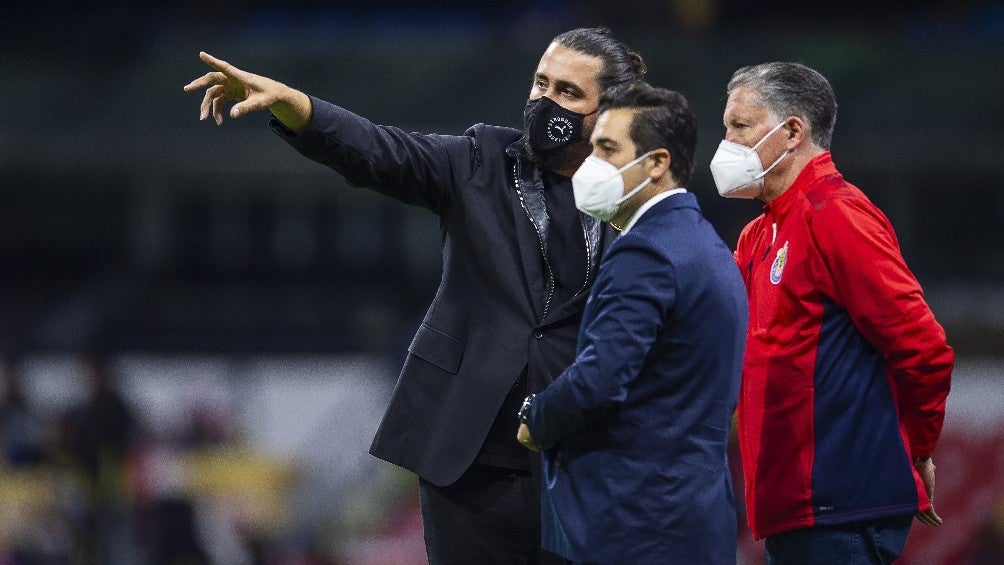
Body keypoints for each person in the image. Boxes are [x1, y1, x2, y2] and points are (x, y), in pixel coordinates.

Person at [184, 28, 646, 564]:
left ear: (609, 112)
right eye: (540, 84)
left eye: (568, 93)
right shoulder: (483, 159)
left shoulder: (635, 196)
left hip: (575, 461)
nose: (545, 102)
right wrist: (299, 108)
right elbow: (383, 152)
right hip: (466, 458)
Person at [710, 62, 954, 564]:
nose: (726, 142)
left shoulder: (835, 213)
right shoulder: (758, 235)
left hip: (839, 508)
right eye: (725, 127)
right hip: (795, 509)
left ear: (793, 131)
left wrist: (920, 447)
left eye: (739, 126)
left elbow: (923, 347)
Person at [516, 83, 748, 564]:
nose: (588, 164)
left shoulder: (646, 251)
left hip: (638, 523)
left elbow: (598, 381)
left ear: (657, 163)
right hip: (691, 517)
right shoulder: (706, 246)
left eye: (606, 149)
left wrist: (536, 418)